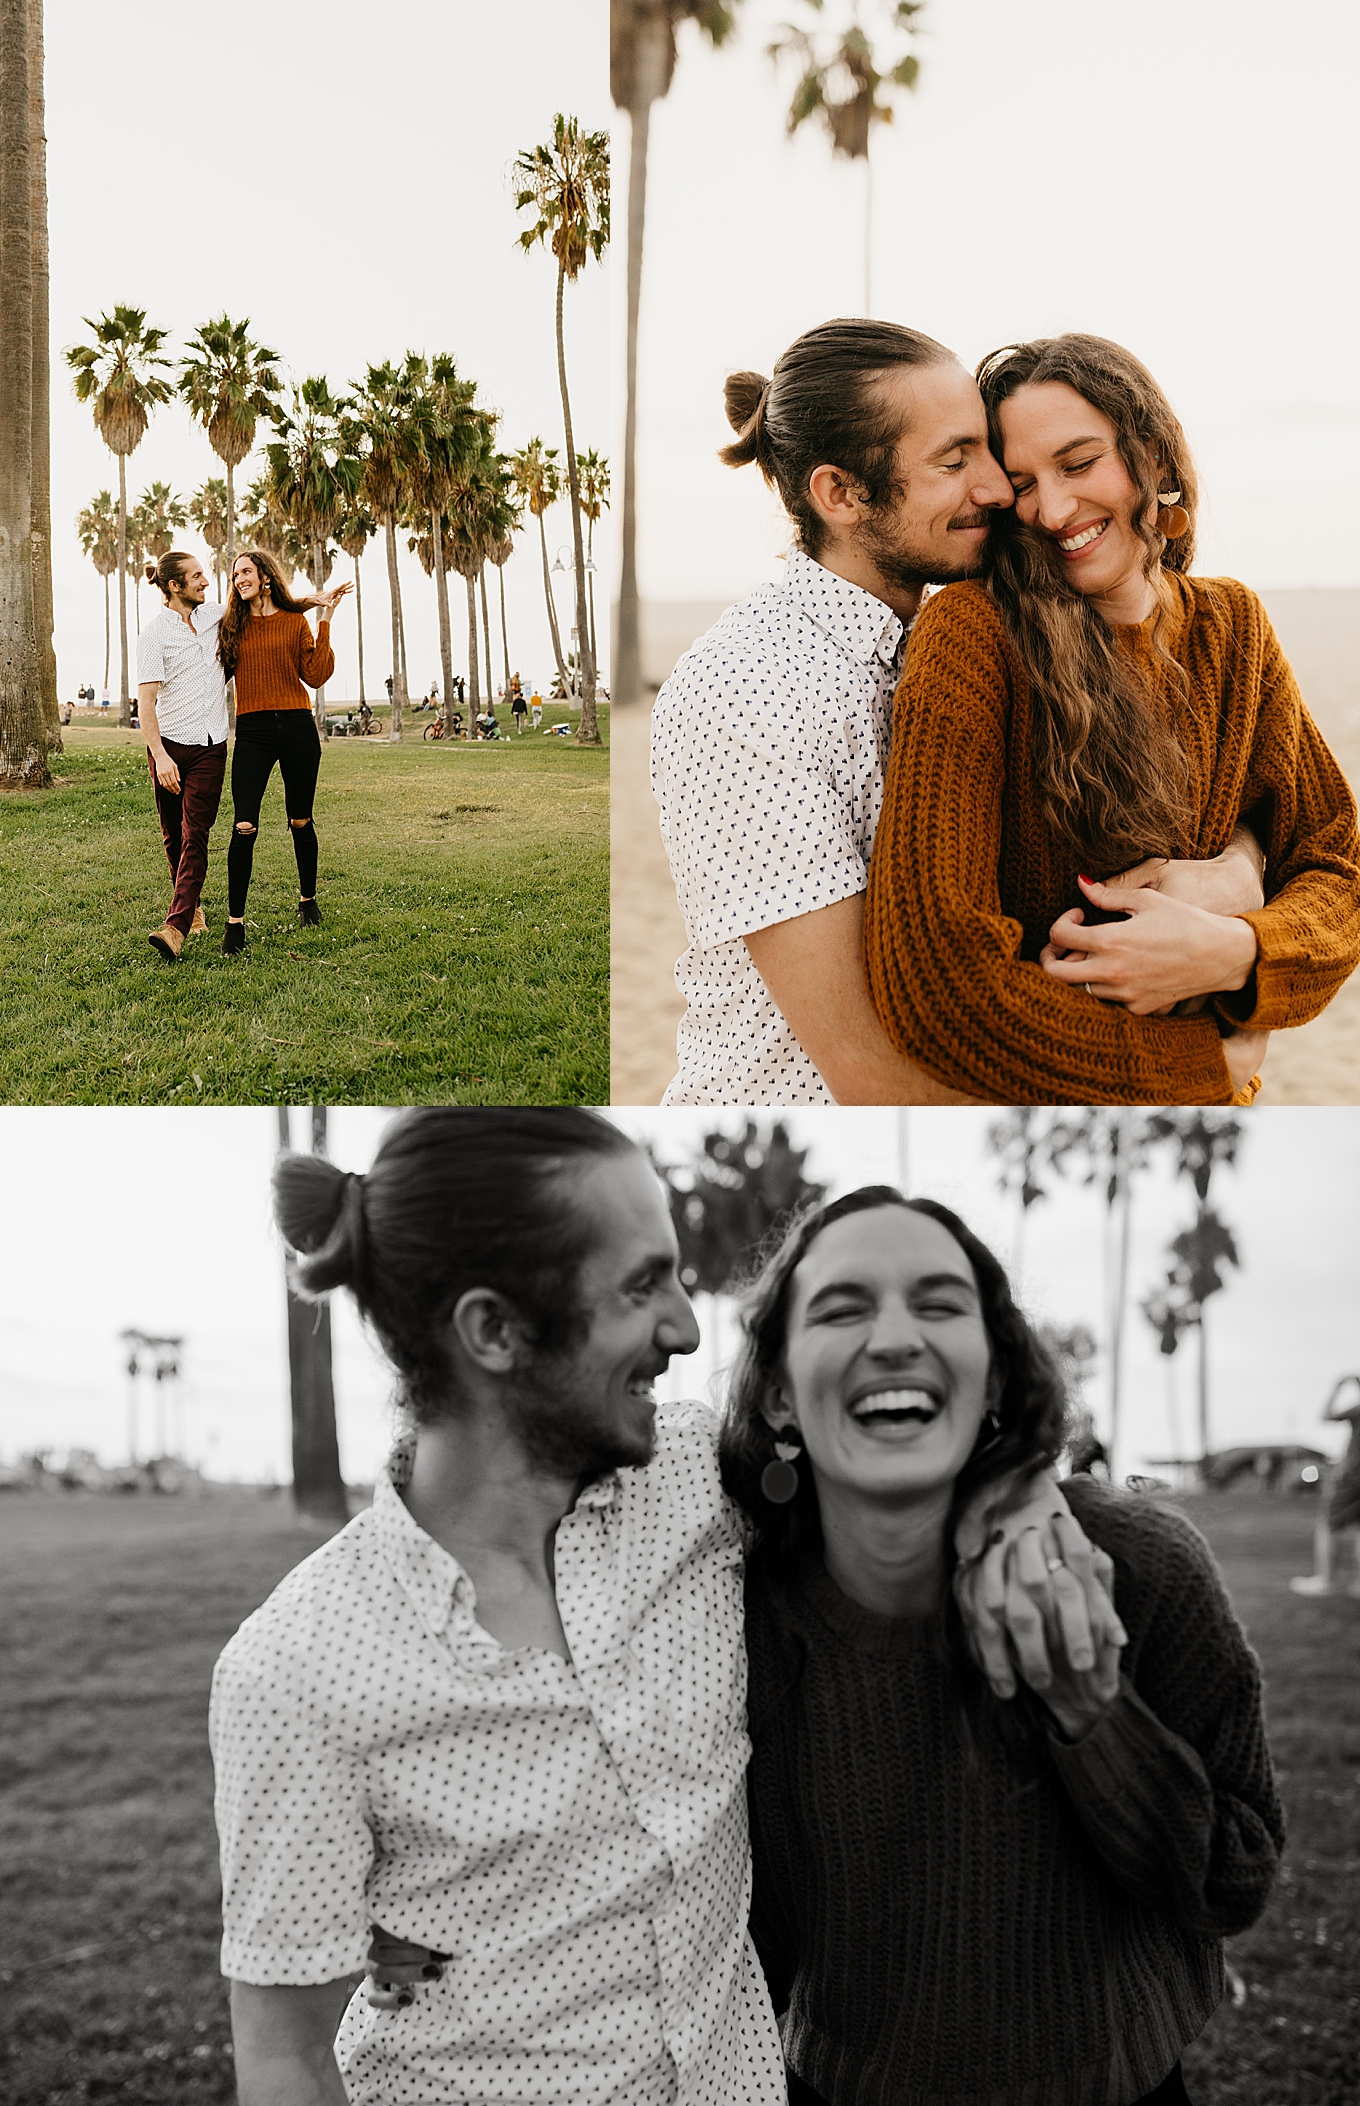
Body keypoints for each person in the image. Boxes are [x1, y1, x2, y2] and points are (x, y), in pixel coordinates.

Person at [210, 1110, 1108, 2106]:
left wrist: (1017, 1488)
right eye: (643, 1286)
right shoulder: (296, 1667)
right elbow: (284, 2054)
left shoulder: (701, 1484)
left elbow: (900, 1443)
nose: (684, 1327)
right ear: (495, 1331)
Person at [722, 1184, 1284, 2105]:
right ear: (779, 1392)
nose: (897, 1336)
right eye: (842, 1306)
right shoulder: (732, 1619)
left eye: (940, 1304)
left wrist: (1091, 1709)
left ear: (992, 1377)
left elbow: (1234, 1881)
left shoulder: (1140, 1565)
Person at [651, 321, 1272, 1106]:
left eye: (987, 450)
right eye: (955, 461)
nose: (997, 488)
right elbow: (870, 1073)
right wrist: (1196, 1072)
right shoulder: (748, 689)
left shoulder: (976, 637)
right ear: (841, 495)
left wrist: (1237, 869)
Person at [862, 332, 1360, 1103]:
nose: (1053, 509)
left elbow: (1337, 867)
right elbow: (935, 984)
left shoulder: (1233, 627)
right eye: (1022, 480)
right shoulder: (974, 634)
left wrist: (1236, 950)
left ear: (1152, 457)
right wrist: (1197, 1067)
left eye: (1079, 462)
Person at [218, 548, 348, 956]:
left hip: (296, 726)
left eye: (246, 572)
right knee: (244, 825)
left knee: (300, 819)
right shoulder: (230, 626)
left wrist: (323, 619)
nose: (239, 579)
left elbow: (315, 674)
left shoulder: (294, 622)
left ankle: (308, 900)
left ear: (266, 577)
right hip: (253, 731)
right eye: (235, 574)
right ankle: (235, 924)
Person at [136, 552, 228, 962]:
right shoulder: (154, 635)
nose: (205, 582)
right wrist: (160, 757)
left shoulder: (213, 617)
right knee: (174, 835)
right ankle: (193, 911)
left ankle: (175, 927)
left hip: (211, 746)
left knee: (196, 833)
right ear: (174, 586)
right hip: (169, 748)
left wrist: (313, 601)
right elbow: (147, 703)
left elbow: (260, 605)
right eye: (196, 576)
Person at [1289, 1373, 1360, 1597]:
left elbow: (1326, 1415)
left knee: (1327, 1524)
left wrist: (1337, 1388)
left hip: (1353, 1475)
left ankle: (1325, 1580)